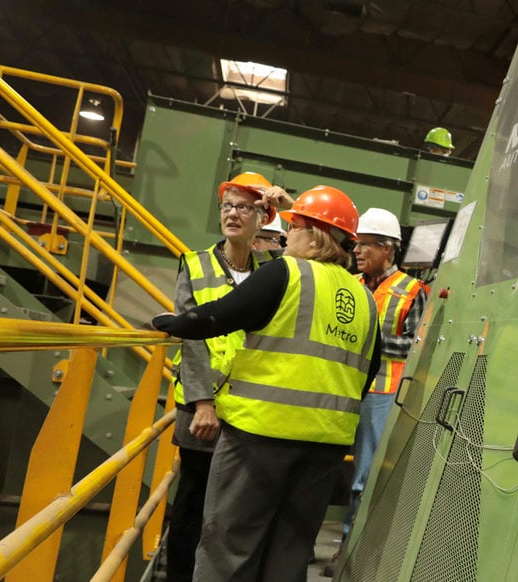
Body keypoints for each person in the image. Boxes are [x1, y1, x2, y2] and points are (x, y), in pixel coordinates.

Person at [152, 185, 381, 582]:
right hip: (326, 446)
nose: (286, 235)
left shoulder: (286, 272)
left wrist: (174, 324)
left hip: (260, 437)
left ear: (312, 233)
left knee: (230, 544)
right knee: (290, 549)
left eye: (293, 227)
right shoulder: (365, 299)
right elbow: (368, 370)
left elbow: (216, 317)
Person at [165, 171, 280, 582]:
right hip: (204, 412)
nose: (233, 214)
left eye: (244, 207)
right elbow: (189, 338)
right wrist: (202, 404)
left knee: (237, 510)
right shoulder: (195, 265)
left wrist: (288, 204)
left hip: (250, 409)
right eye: (227, 206)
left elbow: (317, 261)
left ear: (262, 216)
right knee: (192, 510)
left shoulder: (275, 268)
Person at [323, 208, 429, 577]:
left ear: (388, 249)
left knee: (363, 478)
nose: (358, 252)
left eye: (366, 245)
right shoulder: (350, 283)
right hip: (341, 390)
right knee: (319, 470)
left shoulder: (412, 290)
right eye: (357, 244)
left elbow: (413, 346)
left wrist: (366, 341)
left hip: (381, 393)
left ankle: (349, 553)